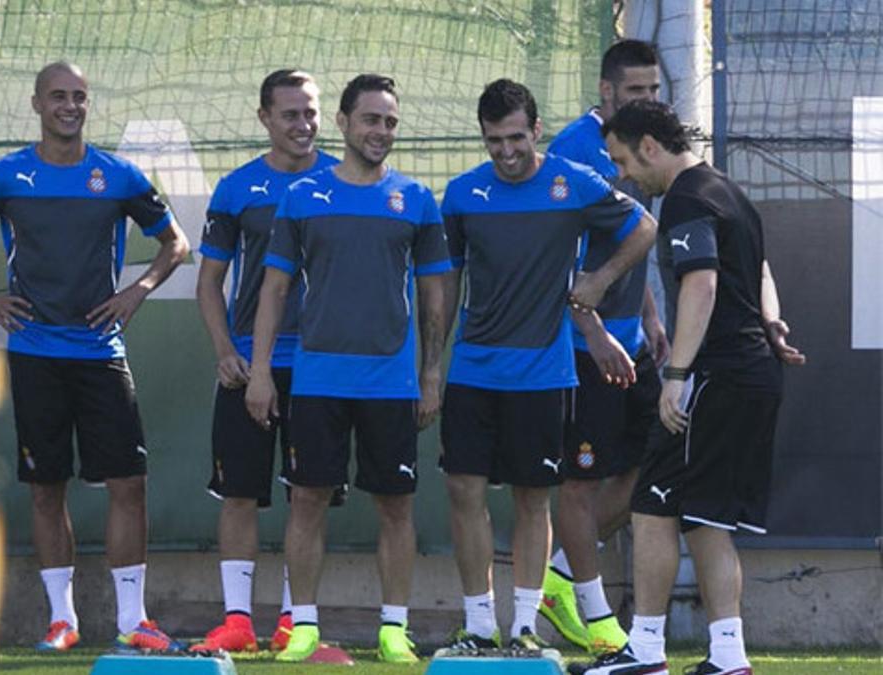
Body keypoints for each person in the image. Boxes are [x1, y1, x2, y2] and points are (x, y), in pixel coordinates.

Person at [0, 61, 190, 653]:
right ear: (36, 104)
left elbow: (175, 242)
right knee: (46, 485)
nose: (69, 106)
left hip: (101, 353)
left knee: (129, 482)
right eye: (58, 96)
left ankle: (133, 620)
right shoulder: (6, 175)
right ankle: (62, 621)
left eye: (78, 97)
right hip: (34, 353)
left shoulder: (118, 175)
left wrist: (138, 289)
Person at [577, 100, 805, 675]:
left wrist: (676, 376)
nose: (624, 174)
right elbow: (760, 271)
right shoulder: (725, 188)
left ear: (650, 146)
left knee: (652, 506)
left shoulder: (685, 197)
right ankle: (729, 658)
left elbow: (701, 285)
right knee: (707, 519)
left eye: (624, 161)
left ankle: (646, 652)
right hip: (753, 372)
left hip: (716, 376)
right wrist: (771, 322)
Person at [437, 79, 655, 653]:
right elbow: (446, 282)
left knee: (534, 496)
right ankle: (479, 626)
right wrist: (430, 366)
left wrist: (598, 284)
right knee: (465, 490)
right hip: (473, 369)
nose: (506, 153)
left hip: (544, 371)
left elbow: (644, 229)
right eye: (493, 142)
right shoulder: (461, 195)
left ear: (535, 130)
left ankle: (525, 627)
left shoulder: (574, 183)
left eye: (515, 138)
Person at [244, 73, 451, 664]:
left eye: (389, 121)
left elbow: (435, 297)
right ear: (342, 123)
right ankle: (303, 625)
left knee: (396, 505)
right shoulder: (303, 197)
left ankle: (393, 628)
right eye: (370, 120)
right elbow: (274, 290)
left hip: (391, 381)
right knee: (307, 500)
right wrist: (260, 371)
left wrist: (431, 374)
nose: (381, 131)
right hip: (317, 380)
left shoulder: (415, 200)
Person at [191, 69, 339, 653]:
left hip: (322, 368)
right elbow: (210, 283)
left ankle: (292, 621)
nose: (302, 125)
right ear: (264, 119)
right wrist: (228, 351)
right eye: (289, 114)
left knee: (310, 493)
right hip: (250, 364)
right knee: (240, 492)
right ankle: (237, 622)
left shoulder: (342, 181)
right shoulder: (237, 188)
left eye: (310, 113)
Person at [540, 39, 668, 654]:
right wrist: (591, 329)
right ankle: (588, 610)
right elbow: (566, 260)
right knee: (580, 481)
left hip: (633, 338)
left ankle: (561, 574)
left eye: (654, 90)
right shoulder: (572, 151)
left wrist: (647, 310)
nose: (647, 102)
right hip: (581, 347)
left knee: (653, 463)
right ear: (607, 92)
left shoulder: (645, 146)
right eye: (636, 92)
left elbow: (628, 240)